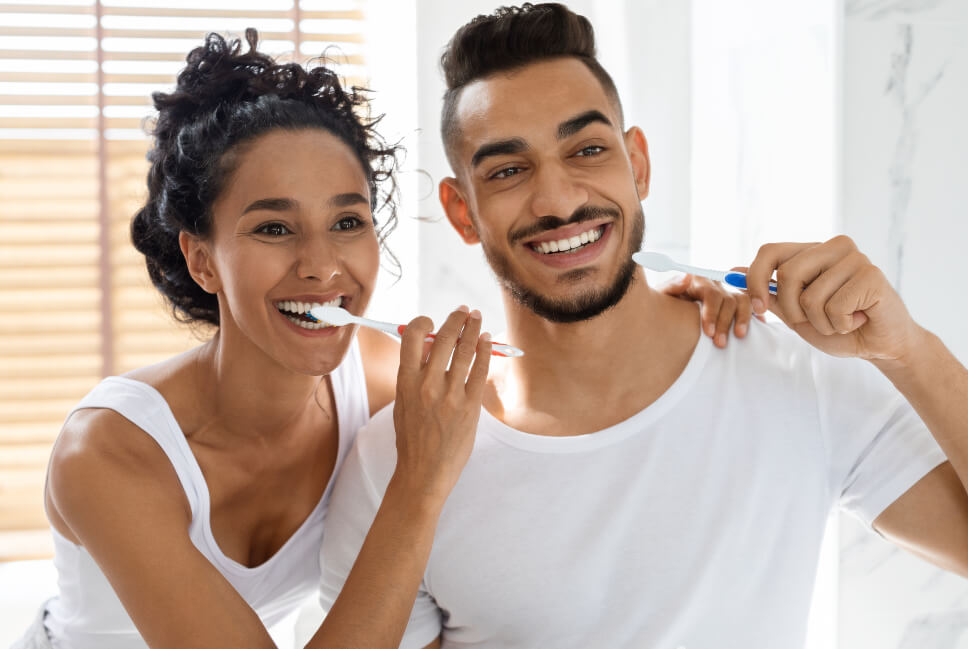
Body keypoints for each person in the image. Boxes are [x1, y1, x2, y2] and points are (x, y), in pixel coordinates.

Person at [319, 4, 968, 648]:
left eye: (588, 150)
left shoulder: (793, 378)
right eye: (507, 169)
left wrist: (908, 351)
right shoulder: (400, 461)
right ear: (462, 210)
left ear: (638, 164)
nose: (559, 198)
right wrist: (420, 488)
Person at [15, 28, 747, 649]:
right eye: (274, 227)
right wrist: (418, 484)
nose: (321, 265)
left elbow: (546, 374)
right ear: (202, 258)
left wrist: (670, 308)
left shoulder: (381, 377)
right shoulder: (108, 455)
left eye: (347, 221)